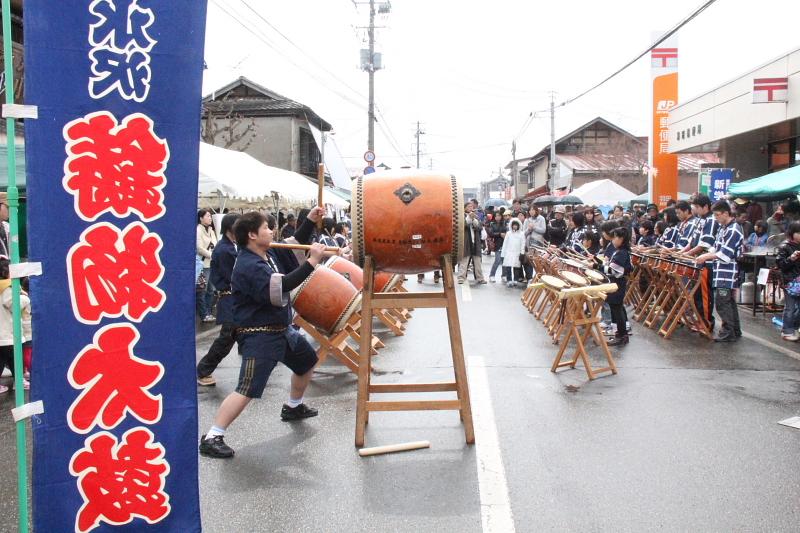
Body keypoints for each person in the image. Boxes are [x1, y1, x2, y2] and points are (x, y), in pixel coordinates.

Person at [199, 210, 327, 459]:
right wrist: (312, 262)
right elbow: (283, 285)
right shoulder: (248, 264)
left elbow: (294, 246)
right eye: (268, 227)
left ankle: (293, 406)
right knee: (246, 389)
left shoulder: (267, 252)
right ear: (252, 234)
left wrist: (310, 220)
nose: (272, 231)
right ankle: (213, 435)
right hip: (259, 335)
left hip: (281, 330)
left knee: (307, 362)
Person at [196, 213, 241, 387]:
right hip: (229, 298)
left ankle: (256, 369)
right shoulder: (225, 250)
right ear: (231, 228)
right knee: (226, 339)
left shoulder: (230, 246)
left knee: (240, 336)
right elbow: (233, 277)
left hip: (232, 298)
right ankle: (203, 370)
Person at [695, 201, 743, 342]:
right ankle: (735, 330)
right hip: (721, 270)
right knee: (728, 302)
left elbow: (725, 254)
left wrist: (705, 256)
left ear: (726, 213)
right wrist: (704, 254)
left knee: (723, 302)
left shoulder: (733, 229)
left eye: (717, 215)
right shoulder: (723, 228)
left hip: (728, 271)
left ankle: (728, 332)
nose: (715, 218)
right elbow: (715, 247)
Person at [683, 194, 718, 331]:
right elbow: (692, 242)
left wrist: (687, 254)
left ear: (705, 206)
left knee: (704, 295)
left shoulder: (711, 220)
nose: (695, 210)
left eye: (697, 207)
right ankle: (700, 320)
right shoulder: (701, 220)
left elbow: (704, 244)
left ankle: (707, 322)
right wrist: (683, 253)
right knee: (697, 294)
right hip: (697, 262)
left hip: (706, 263)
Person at [0, 258, 30, 393]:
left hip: (3, 334)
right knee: (16, 360)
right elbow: (14, 304)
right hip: (10, 334)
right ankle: (19, 381)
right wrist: (25, 297)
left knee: (2, 360)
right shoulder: (7, 288)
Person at [602, 227, 632, 346]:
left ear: (621, 239)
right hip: (615, 283)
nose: (613, 240)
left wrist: (595, 265)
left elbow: (614, 271)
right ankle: (619, 334)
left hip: (617, 284)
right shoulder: (619, 251)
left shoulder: (622, 253)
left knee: (617, 310)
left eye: (615, 237)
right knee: (616, 309)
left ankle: (622, 334)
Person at [776, 222, 800, 341]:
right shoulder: (784, 246)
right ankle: (787, 331)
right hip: (789, 281)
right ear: (792, 233)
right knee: (790, 307)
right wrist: (791, 258)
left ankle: (794, 327)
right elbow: (780, 264)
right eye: (798, 233)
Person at [197, 209, 218, 323]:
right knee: (202, 290)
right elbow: (199, 248)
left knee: (211, 289)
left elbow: (215, 244)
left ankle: (209, 312)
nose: (210, 218)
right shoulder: (198, 230)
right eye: (208, 216)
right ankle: (203, 313)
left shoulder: (211, 231)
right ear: (201, 218)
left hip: (211, 263)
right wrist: (212, 255)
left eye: (210, 216)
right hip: (203, 264)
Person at [458, 202, 487, 284]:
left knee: (477, 261)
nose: (471, 207)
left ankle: (480, 278)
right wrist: (469, 218)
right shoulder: (462, 216)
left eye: (471, 206)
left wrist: (474, 219)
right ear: (465, 208)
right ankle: (461, 277)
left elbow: (479, 227)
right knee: (464, 260)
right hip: (466, 241)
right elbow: (463, 225)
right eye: (468, 206)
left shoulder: (476, 215)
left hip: (476, 241)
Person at [501, 219, 525, 287]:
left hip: (517, 252)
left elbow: (523, 243)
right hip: (509, 252)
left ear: (518, 226)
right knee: (508, 266)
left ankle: (515, 280)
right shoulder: (508, 233)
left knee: (516, 267)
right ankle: (509, 280)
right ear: (511, 226)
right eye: (513, 225)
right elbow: (505, 243)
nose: (514, 226)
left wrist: (522, 252)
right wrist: (503, 253)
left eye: (516, 225)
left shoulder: (521, 234)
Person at [488, 209, 508, 282]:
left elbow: (508, 231)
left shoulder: (505, 223)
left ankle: (504, 275)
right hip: (497, 244)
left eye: (499, 216)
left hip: (505, 244)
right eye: (496, 216)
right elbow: (491, 233)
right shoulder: (492, 224)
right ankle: (492, 275)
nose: (498, 217)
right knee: (497, 260)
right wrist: (500, 234)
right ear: (494, 217)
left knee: (505, 261)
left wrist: (505, 234)